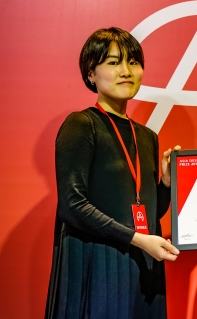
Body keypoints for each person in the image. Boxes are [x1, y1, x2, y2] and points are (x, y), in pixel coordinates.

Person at [45, 27, 180, 319]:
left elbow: (148, 213)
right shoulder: (82, 124)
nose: (126, 71)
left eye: (133, 62)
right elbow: (72, 205)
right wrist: (137, 239)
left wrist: (166, 185)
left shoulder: (147, 136)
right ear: (91, 74)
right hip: (98, 262)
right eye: (113, 62)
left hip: (141, 263)